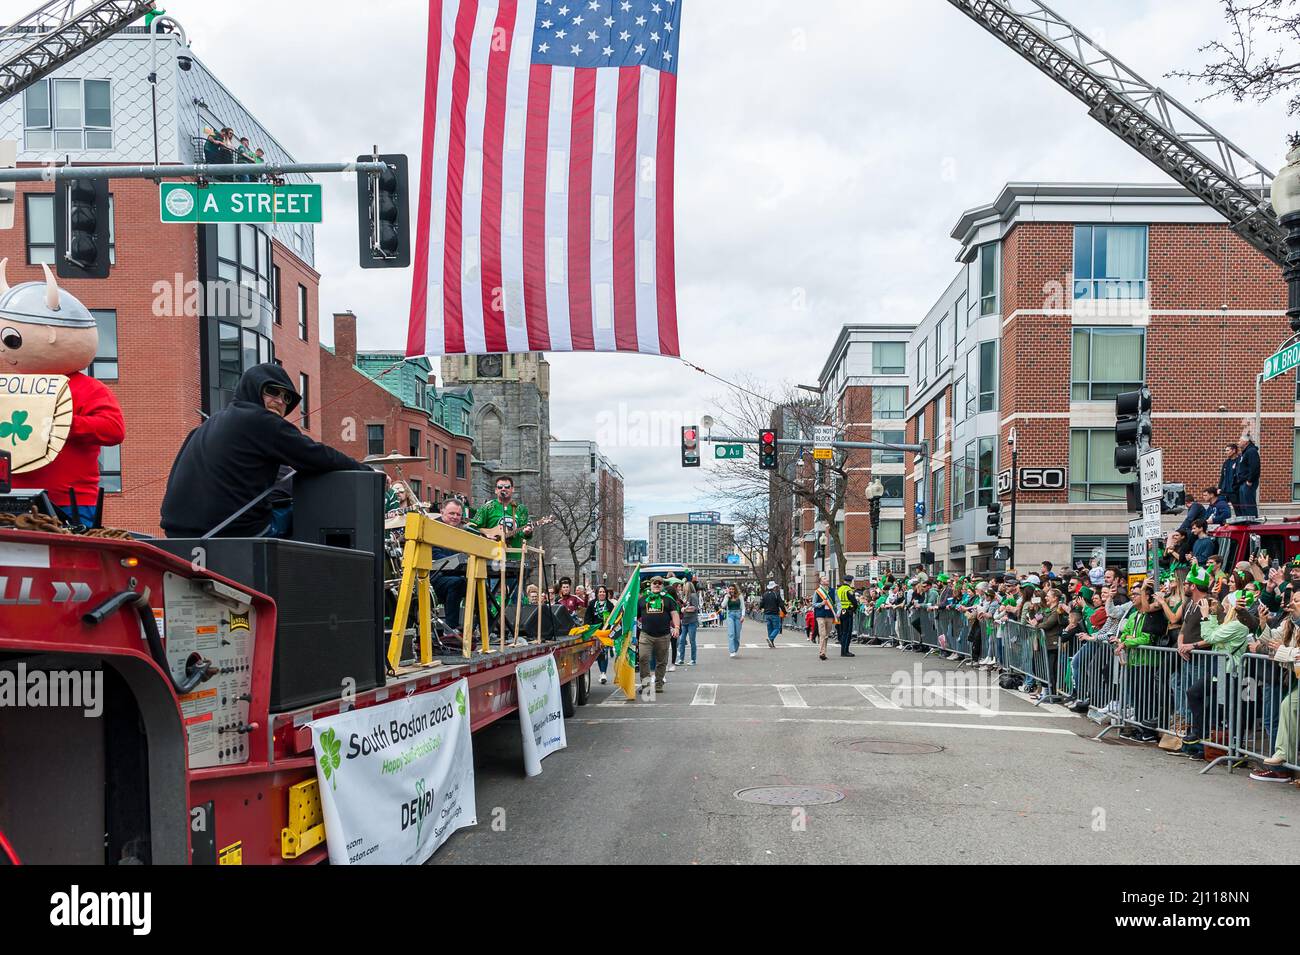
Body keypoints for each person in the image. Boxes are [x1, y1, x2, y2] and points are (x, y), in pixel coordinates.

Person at [160, 364, 368, 537]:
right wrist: (366, 471)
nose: (280, 401)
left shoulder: (207, 425)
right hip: (234, 533)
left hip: (177, 534)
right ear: (252, 389)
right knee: (314, 514)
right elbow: (318, 456)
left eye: (286, 398)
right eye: (272, 391)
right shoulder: (261, 421)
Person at [428, 498, 469, 632]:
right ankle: (451, 629)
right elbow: (435, 556)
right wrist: (459, 561)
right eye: (452, 513)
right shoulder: (432, 528)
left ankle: (480, 628)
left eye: (458, 514)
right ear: (442, 512)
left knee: (480, 583)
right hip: (432, 577)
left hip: (453, 574)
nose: (455, 517)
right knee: (457, 583)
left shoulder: (461, 532)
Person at [636, 577, 679, 696]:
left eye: (660, 583)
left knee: (662, 661)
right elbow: (635, 616)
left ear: (662, 585)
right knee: (643, 658)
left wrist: (676, 627)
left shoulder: (668, 599)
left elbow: (674, 614)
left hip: (663, 635)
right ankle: (646, 685)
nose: (657, 585)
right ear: (650, 584)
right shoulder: (642, 599)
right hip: (646, 635)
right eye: (654, 583)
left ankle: (659, 683)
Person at [586, 585, 616, 684]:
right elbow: (588, 618)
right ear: (597, 594)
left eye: (603, 592)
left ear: (606, 593)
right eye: (600, 592)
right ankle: (601, 671)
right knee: (599, 652)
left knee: (604, 652)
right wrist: (589, 629)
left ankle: (603, 673)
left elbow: (614, 618)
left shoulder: (610, 605)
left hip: (606, 632)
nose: (602, 593)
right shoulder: (592, 604)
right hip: (596, 632)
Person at [676, 579, 700, 666]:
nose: (683, 588)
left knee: (692, 640)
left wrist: (685, 609)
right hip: (684, 621)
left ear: (688, 587)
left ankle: (693, 659)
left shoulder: (693, 595)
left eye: (685, 586)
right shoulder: (684, 596)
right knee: (682, 640)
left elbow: (695, 608)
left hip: (692, 621)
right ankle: (681, 659)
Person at [1235, 436, 1260, 518]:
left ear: (1246, 442)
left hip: (1248, 483)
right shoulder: (1245, 452)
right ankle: (1247, 523)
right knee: (1244, 506)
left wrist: (1250, 480)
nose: (1238, 442)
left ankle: (1253, 524)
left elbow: (1255, 467)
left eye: (1240, 440)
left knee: (1249, 505)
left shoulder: (1251, 451)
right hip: (1243, 482)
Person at [813, 574, 837, 661]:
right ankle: (822, 652)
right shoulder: (817, 591)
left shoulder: (833, 591)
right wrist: (821, 604)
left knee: (826, 634)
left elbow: (837, 602)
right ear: (821, 582)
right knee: (822, 633)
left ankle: (824, 651)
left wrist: (837, 612)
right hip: (820, 614)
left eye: (827, 578)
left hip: (830, 615)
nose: (827, 579)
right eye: (824, 578)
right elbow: (813, 604)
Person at [835, 575, 858, 657]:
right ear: (850, 581)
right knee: (847, 632)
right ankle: (845, 651)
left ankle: (843, 650)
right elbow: (854, 602)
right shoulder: (849, 590)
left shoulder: (839, 589)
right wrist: (854, 609)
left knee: (842, 631)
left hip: (841, 611)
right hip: (848, 611)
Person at [760, 580, 785, 649]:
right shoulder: (776, 594)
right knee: (777, 628)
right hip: (774, 613)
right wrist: (785, 612)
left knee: (770, 628)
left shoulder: (764, 594)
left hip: (767, 614)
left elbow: (761, 604)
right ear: (774, 587)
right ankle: (771, 639)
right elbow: (781, 605)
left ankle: (771, 643)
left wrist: (761, 608)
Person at [723, 584, 744, 657]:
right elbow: (723, 605)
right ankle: (732, 651)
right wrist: (726, 598)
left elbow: (743, 607)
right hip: (730, 615)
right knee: (731, 633)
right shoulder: (727, 596)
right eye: (730, 589)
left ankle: (735, 648)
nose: (731, 590)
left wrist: (743, 616)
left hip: (738, 615)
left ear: (735, 589)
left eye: (733, 589)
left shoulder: (740, 596)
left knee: (737, 635)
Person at [1219, 443, 1240, 513]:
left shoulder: (1239, 461)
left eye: (1228, 450)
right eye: (1225, 451)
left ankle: (1241, 523)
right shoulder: (1226, 462)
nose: (1226, 452)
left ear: (1234, 450)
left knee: (1238, 510)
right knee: (1222, 509)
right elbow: (1222, 476)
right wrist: (1219, 488)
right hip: (1224, 491)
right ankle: (1224, 523)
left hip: (1234, 491)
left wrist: (1237, 487)